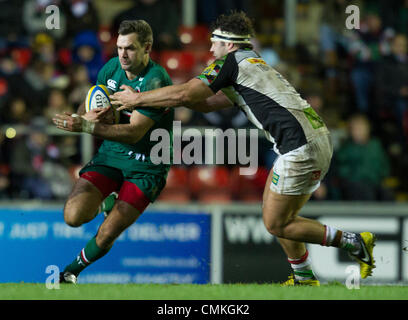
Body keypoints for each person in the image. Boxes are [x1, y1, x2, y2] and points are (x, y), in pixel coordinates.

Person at [110, 11, 376, 286]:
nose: (211, 48)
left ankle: (353, 242)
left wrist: (138, 98)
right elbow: (205, 103)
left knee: (275, 223)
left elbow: (188, 93)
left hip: (299, 146)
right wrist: (158, 100)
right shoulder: (252, 65)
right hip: (315, 140)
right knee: (283, 217)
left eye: (215, 42)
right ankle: (304, 278)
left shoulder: (231, 62)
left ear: (229, 43)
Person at [52, 20, 174, 284]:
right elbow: (104, 109)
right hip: (113, 154)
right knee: (73, 216)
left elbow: (134, 132)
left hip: (147, 165)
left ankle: (70, 273)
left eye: (129, 48)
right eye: (119, 48)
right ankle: (107, 200)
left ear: (147, 48)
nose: (123, 55)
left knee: (108, 232)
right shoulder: (110, 68)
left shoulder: (156, 79)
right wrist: (87, 116)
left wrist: (85, 127)